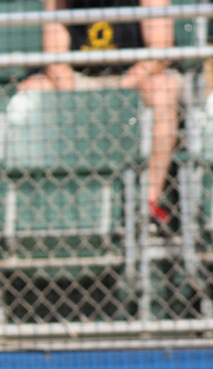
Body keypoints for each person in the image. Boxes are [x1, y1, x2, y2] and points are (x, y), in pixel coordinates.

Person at [18, 0, 180, 227]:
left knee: (165, 89)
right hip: (82, 80)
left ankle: (148, 203)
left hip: (137, 78)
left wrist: (121, 90)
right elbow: (55, 63)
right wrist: (88, 98)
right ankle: (45, 208)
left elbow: (160, 53)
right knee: (32, 89)